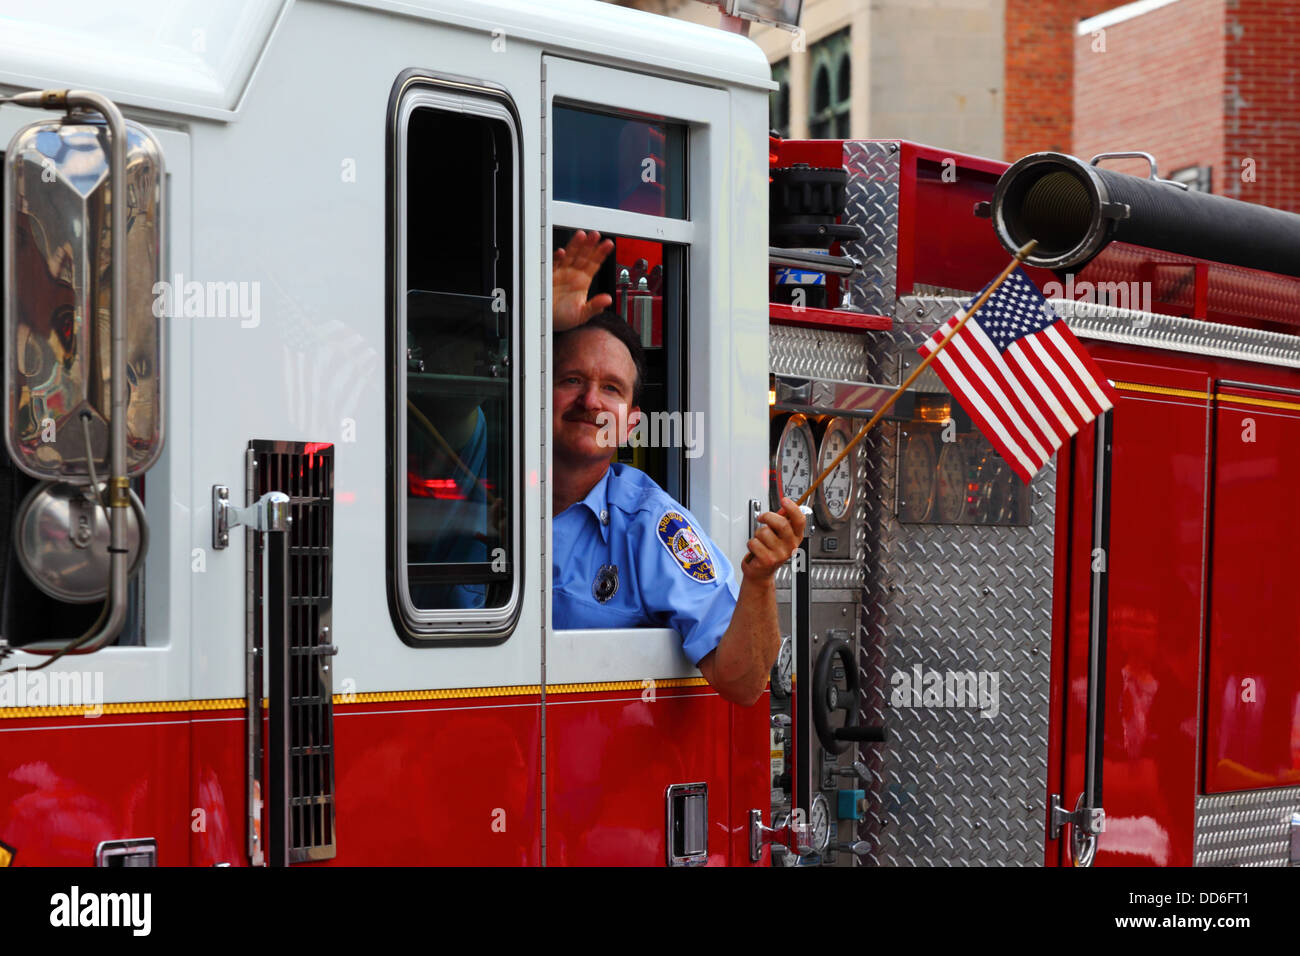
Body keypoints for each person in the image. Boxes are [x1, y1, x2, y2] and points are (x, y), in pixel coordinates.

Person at [551, 231, 805, 707]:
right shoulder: (484, 478)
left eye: (611, 388)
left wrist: (760, 580)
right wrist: (532, 324)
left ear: (630, 425)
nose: (590, 401)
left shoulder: (651, 527)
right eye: (571, 379)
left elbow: (744, 682)